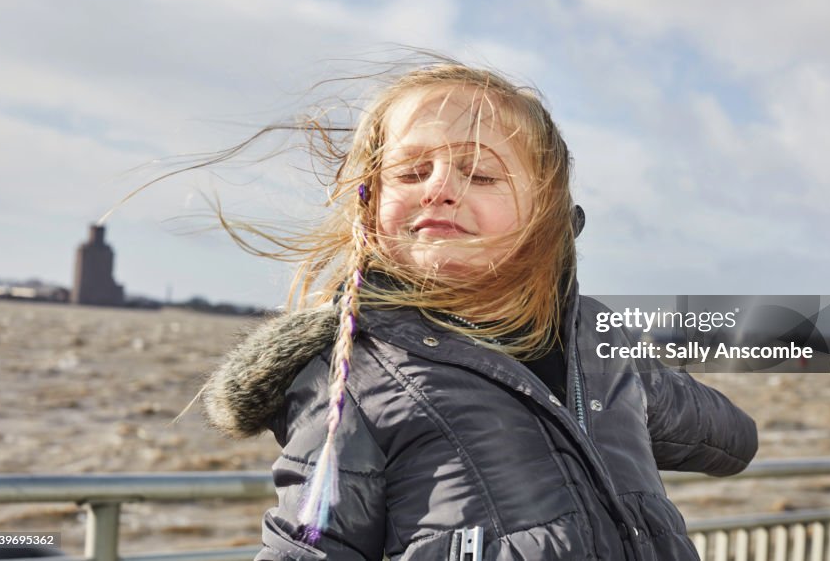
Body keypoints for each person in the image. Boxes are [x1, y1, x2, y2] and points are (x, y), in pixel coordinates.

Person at [202, 61, 758, 560]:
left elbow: (734, 440)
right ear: (367, 203)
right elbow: (307, 548)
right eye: (411, 172)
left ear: (544, 211)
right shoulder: (354, 376)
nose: (439, 188)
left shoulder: (601, 341)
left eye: (482, 174)